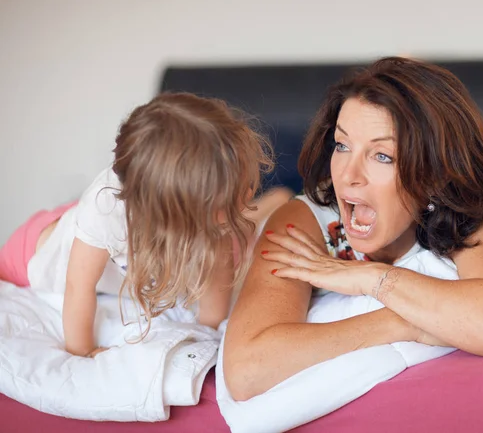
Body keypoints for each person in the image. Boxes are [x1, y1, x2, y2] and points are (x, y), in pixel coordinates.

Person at [223, 57, 483, 401]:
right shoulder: (306, 222)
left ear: (434, 171)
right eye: (342, 145)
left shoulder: (468, 210)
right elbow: (246, 371)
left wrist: (372, 279)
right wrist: (401, 323)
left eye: (382, 156)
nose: (348, 175)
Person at [0, 93, 292, 358]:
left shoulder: (211, 225)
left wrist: (209, 336)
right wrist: (83, 351)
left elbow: (216, 289)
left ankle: (272, 203)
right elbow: (78, 285)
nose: (245, 195)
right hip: (46, 246)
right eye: (232, 197)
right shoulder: (106, 209)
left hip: (153, 242)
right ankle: (267, 205)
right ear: (181, 209)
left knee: (234, 244)